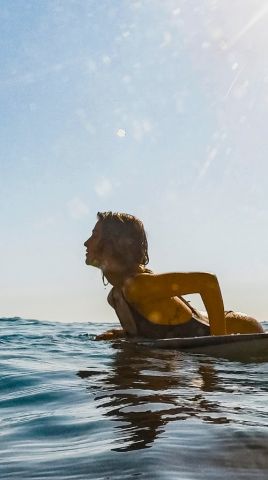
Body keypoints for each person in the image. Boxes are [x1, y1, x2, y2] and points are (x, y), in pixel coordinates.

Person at [84, 212, 264, 340]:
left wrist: (220, 343)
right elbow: (158, 328)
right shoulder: (115, 296)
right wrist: (124, 334)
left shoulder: (138, 286)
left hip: (243, 330)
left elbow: (208, 282)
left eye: (95, 235)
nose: (86, 243)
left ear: (113, 244)